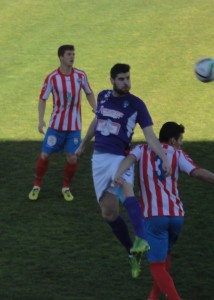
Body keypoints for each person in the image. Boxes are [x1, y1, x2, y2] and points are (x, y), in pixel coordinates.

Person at [113, 121, 214, 300]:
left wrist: (118, 174)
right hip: (177, 216)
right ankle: (153, 296)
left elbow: (128, 160)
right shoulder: (178, 154)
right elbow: (198, 172)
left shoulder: (141, 149)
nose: (181, 143)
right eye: (180, 139)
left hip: (154, 218)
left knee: (156, 266)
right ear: (172, 140)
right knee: (165, 256)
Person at [76, 63, 171, 278]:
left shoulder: (137, 104)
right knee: (109, 213)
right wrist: (83, 143)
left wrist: (164, 157)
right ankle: (131, 252)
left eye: (128, 78)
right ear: (112, 80)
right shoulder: (102, 97)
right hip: (99, 159)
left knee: (127, 190)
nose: (126, 82)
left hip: (121, 156)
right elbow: (97, 121)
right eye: (121, 79)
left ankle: (141, 238)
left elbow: (150, 137)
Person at [28, 45, 96, 201]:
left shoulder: (80, 75)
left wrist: (96, 108)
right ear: (61, 57)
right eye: (69, 54)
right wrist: (40, 120)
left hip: (74, 127)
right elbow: (42, 98)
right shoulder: (52, 78)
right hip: (56, 126)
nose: (72, 57)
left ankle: (66, 187)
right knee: (45, 155)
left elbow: (89, 92)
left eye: (73, 54)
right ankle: (37, 184)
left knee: (72, 157)